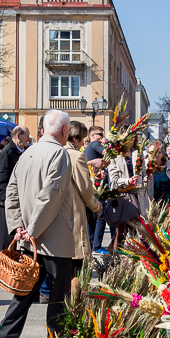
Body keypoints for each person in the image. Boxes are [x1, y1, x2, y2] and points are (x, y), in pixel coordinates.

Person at [1, 110, 75, 338]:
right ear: (64, 130)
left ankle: (8, 336)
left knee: (25, 290)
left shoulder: (27, 153)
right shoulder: (59, 153)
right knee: (60, 291)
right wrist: (31, 230)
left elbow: (11, 192)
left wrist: (18, 227)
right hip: (52, 237)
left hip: (28, 236)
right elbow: (50, 196)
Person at [64, 120, 103, 289]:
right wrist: (96, 205)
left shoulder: (55, 152)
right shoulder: (76, 156)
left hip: (58, 214)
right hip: (74, 211)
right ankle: (76, 300)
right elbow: (85, 189)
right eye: (82, 140)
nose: (83, 145)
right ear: (76, 138)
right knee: (78, 265)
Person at [0, 125, 31, 251]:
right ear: (18, 136)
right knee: (7, 238)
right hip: (7, 201)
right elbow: (1, 179)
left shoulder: (24, 151)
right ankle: (5, 260)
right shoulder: (7, 152)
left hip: (18, 200)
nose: (28, 139)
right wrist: (9, 200)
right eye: (27, 136)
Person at [106, 140, 140, 253]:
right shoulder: (115, 156)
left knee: (135, 231)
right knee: (121, 231)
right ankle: (116, 256)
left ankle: (132, 257)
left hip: (136, 196)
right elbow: (113, 180)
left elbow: (142, 174)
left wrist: (146, 179)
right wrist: (127, 181)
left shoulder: (136, 153)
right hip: (122, 197)